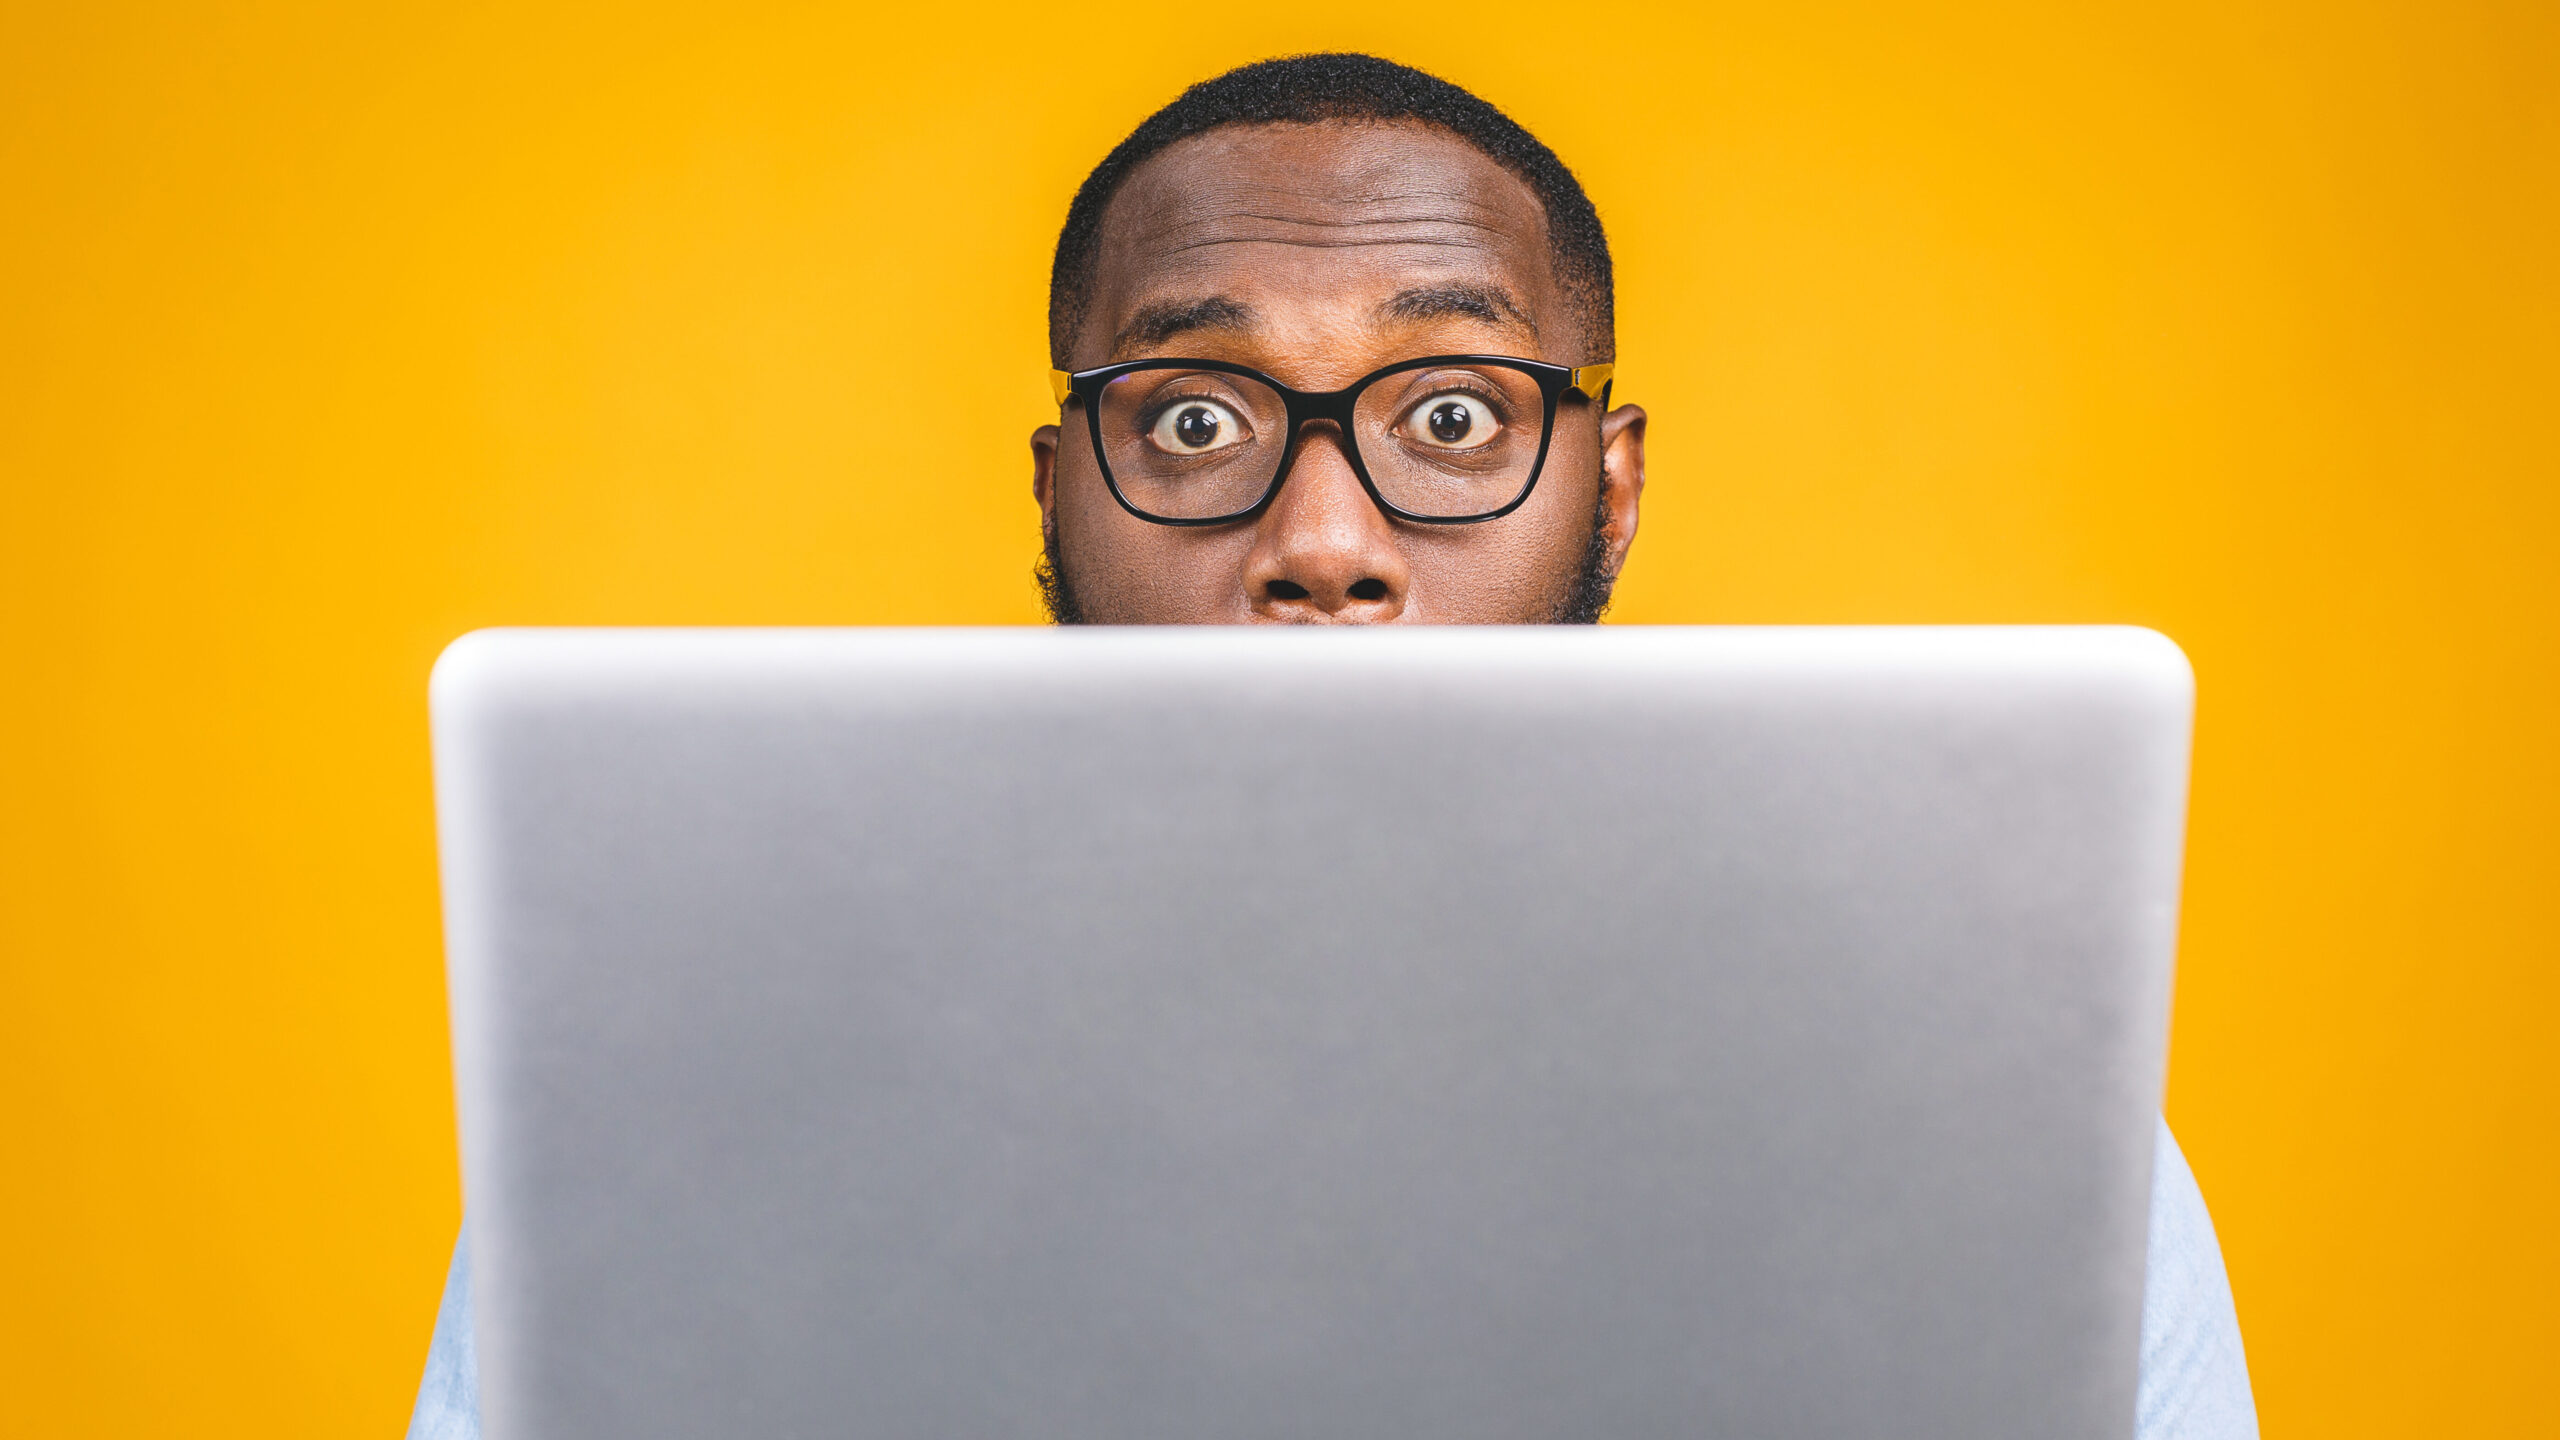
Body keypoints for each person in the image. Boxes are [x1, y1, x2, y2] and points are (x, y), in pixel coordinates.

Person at [409, 53, 2257, 1439]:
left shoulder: (1972, 1133)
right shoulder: (696, 1127)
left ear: (1607, 497)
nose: (1324, 543)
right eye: (1197, 420)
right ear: (1062, 492)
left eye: (1451, 412)